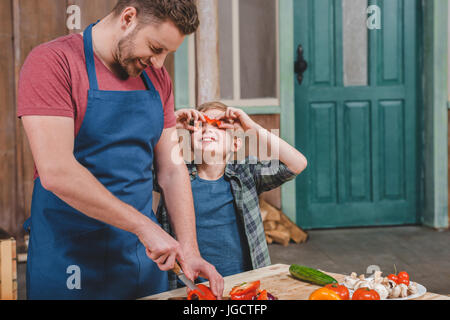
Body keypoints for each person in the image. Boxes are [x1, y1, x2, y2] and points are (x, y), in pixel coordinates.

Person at [17, 0, 223, 300]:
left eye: (167, 53)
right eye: (155, 47)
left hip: (141, 257)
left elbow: (172, 168)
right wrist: (143, 226)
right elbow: (56, 171)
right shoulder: (54, 62)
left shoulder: (156, 78)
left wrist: (189, 249)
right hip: (68, 255)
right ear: (128, 17)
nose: (158, 63)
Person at [157, 102, 308, 289]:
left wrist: (252, 127)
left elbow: (297, 164)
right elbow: (137, 169)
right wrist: (168, 126)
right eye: (200, 126)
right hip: (186, 284)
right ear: (188, 140)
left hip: (243, 283)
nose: (207, 130)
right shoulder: (174, 175)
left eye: (218, 126)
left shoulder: (246, 174)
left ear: (235, 144)